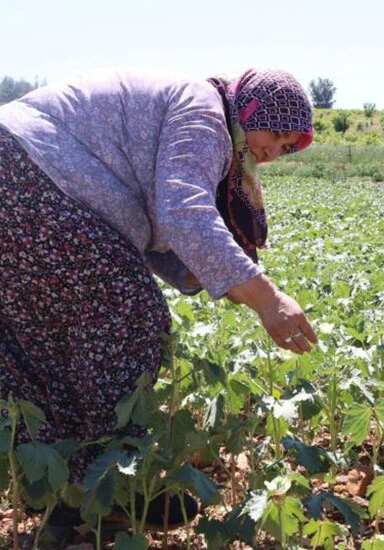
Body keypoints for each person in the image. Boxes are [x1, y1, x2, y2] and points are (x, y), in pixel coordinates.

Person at [0, 67, 319, 543]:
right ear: (250, 110)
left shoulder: (201, 115)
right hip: (31, 172)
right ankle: (118, 483)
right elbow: (183, 212)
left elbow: (152, 229)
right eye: (273, 134)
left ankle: (62, 497)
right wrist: (266, 298)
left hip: (17, 172)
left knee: (42, 343)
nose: (272, 152)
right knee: (128, 314)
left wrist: (212, 274)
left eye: (286, 148)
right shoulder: (206, 115)